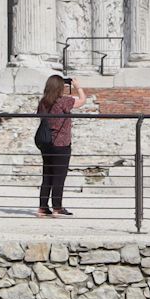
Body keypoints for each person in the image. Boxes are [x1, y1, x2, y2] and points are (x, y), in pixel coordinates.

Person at [33, 73, 89, 217]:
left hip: (45, 142)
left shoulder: (43, 102)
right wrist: (78, 87)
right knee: (59, 176)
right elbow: (82, 101)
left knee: (47, 175)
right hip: (61, 143)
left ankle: (42, 208)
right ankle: (57, 207)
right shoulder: (64, 101)